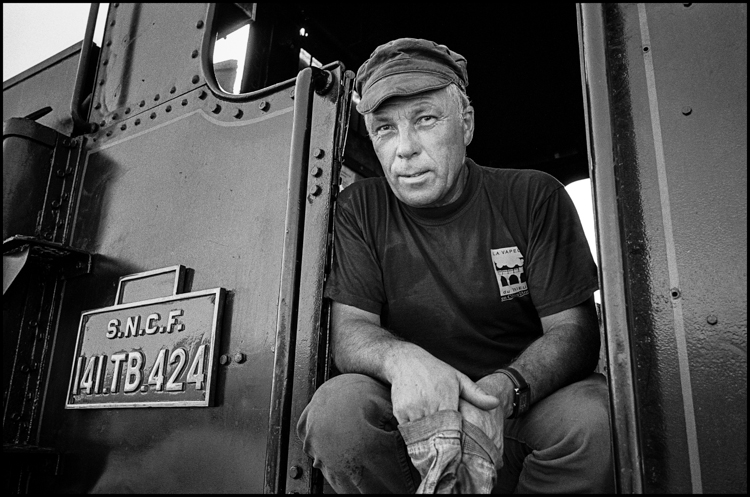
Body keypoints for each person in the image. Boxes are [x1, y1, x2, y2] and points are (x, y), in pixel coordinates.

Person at [297, 37, 614, 493]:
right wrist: (405, 362)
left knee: (593, 420)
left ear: (465, 123)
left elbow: (575, 332)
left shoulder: (533, 197)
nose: (405, 148)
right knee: (336, 415)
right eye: (385, 128)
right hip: (413, 412)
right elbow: (350, 332)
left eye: (425, 119)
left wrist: (502, 392)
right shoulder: (360, 209)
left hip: (519, 409)